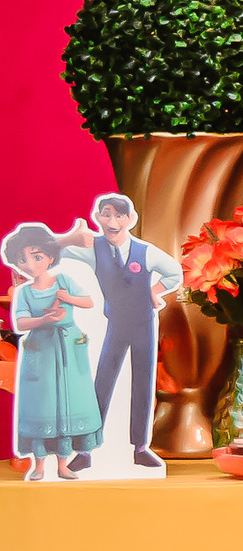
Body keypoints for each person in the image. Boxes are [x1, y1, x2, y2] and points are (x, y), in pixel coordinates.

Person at [61, 194, 178, 470]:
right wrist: (71, 238)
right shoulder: (94, 248)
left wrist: (154, 291)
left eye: (119, 215)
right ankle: (86, 450)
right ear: (98, 217)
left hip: (143, 325)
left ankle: (140, 447)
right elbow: (58, 250)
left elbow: (174, 272)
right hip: (115, 324)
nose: (112, 221)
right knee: (102, 382)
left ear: (130, 219)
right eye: (106, 214)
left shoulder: (144, 251)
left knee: (143, 383)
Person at [4, 224, 103, 481]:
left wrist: (67, 298)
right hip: (41, 351)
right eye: (22, 259)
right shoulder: (24, 292)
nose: (29, 263)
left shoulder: (63, 281)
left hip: (69, 347)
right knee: (42, 403)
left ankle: (63, 465)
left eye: (36, 256)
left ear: (50, 257)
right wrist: (44, 320)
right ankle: (38, 466)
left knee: (68, 402)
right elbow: (20, 324)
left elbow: (89, 302)